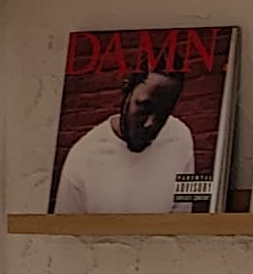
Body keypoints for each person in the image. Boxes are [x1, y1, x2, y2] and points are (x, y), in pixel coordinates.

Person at [56, 64, 194, 213]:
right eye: (144, 108)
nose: (150, 124)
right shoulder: (82, 157)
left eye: (163, 113)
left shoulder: (182, 138)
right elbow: (64, 232)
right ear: (127, 92)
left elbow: (184, 214)